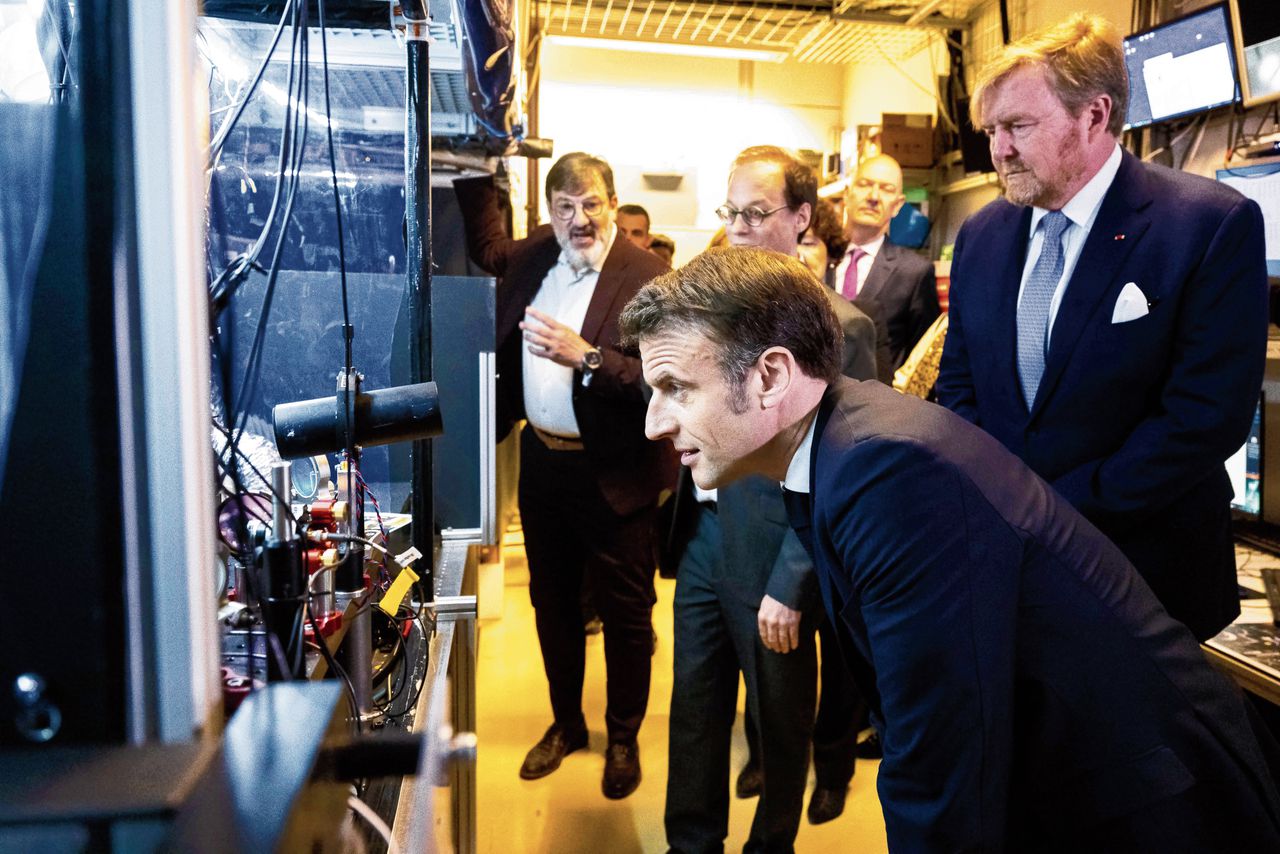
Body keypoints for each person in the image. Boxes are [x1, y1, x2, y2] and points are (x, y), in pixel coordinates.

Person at [622, 246, 1280, 852]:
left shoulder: (889, 473)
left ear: (771, 375)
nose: (654, 422)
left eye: (677, 388)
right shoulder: (843, 443)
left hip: (1146, 801)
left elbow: (940, 753)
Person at [935, 13, 1269, 642]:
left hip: (1145, 587)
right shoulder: (983, 234)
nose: (998, 150)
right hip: (1007, 574)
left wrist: (1049, 512)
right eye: (991, 130)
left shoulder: (1207, 225)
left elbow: (1204, 418)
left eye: (1017, 127)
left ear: (1094, 115)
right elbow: (960, 386)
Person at [661, 148, 873, 853]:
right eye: (732, 213)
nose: (741, 227)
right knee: (694, 707)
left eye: (757, 213)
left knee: (781, 724)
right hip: (701, 534)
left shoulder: (842, 328)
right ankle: (692, 841)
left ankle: (770, 844)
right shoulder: (704, 309)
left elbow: (846, 471)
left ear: (802, 218)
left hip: (777, 548)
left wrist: (794, 579)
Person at [453, 153, 676, 799]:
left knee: (626, 614)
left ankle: (624, 735)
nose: (579, 220)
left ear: (612, 202)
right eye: (565, 207)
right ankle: (566, 724)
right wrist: (476, 175)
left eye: (592, 204)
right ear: (549, 212)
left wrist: (589, 359)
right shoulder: (533, 257)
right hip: (544, 465)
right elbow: (490, 247)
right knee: (550, 605)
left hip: (617, 473)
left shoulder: (650, 276)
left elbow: (663, 380)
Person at [832, 154, 939, 372]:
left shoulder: (914, 273)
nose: (873, 196)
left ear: (898, 205)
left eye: (886, 189)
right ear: (847, 193)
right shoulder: (818, 257)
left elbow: (921, 359)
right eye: (864, 185)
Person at [801, 197, 893, 384]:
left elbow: (876, 399)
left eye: (809, 243)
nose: (797, 253)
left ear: (830, 253)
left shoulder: (860, 320)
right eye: (789, 242)